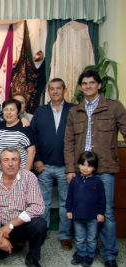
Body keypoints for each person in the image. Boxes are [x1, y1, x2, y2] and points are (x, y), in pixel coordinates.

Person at [64, 69, 126, 267]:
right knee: (80, 210)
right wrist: (70, 169)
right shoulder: (75, 111)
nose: (88, 86)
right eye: (84, 83)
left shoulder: (114, 107)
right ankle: (83, 251)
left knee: (106, 212)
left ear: (99, 85)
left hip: (105, 168)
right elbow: (69, 141)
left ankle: (109, 255)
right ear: (81, 87)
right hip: (80, 170)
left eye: (92, 83)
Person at [0, 147, 46, 267]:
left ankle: (32, 257)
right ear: (0, 164)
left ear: (20, 163)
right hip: (0, 225)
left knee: (40, 224)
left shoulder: (29, 177)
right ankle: (5, 248)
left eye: (14, 159)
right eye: (6, 160)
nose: (10, 164)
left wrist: (10, 225)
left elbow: (38, 206)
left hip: (21, 224)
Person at [30, 78, 74, 249]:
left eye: (58, 88)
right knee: (43, 202)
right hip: (44, 165)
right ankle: (44, 231)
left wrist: (73, 166)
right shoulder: (40, 111)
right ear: (48, 91)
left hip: (66, 167)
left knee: (65, 202)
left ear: (64, 90)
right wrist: (37, 159)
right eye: (52, 89)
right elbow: (32, 137)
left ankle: (64, 235)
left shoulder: (74, 110)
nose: (55, 92)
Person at [66, 151, 105, 267]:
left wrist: (101, 213)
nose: (85, 168)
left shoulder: (98, 182)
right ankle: (81, 254)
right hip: (77, 216)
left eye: (89, 166)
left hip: (93, 217)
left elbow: (102, 199)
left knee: (92, 238)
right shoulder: (74, 181)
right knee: (79, 237)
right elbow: (70, 197)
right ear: (78, 165)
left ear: (94, 167)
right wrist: (69, 210)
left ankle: (89, 256)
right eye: (83, 165)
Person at [0, 99, 35, 171]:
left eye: (12, 110)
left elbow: (32, 151)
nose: (8, 112)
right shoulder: (0, 126)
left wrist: (26, 173)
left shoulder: (24, 128)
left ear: (18, 112)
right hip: (0, 172)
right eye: (6, 109)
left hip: (19, 173)